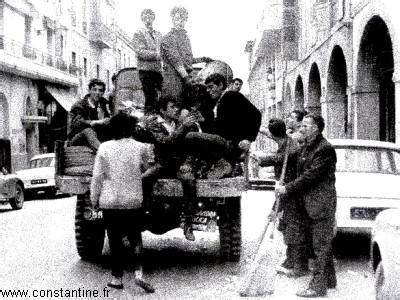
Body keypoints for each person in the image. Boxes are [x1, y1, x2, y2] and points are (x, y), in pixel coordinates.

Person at [90, 113, 155, 293]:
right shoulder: (140, 147)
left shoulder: (104, 147)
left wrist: (94, 199)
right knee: (135, 238)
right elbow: (146, 169)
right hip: (133, 201)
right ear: (132, 128)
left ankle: (116, 278)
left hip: (109, 201)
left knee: (115, 240)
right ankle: (139, 273)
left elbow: (97, 177)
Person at [275, 114, 337, 298]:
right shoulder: (306, 147)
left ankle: (317, 288)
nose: (302, 128)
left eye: (305, 125)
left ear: (316, 128)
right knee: (321, 244)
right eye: (301, 125)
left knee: (320, 246)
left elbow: (310, 176)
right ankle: (330, 280)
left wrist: (286, 189)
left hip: (321, 204)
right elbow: (295, 166)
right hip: (309, 204)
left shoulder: (324, 149)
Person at [255, 119, 309, 277]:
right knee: (288, 228)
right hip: (290, 190)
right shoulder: (286, 140)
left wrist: (275, 209)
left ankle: (297, 266)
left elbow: (287, 186)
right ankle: (290, 261)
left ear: (273, 134)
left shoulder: (289, 150)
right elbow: (270, 135)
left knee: (293, 230)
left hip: (292, 193)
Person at [160, 6, 212, 107]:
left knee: (187, 107)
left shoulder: (185, 38)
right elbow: (176, 61)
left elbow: (187, 60)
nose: (181, 21)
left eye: (183, 19)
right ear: (173, 19)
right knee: (175, 106)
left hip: (185, 77)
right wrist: (187, 78)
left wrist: (203, 59)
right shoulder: (168, 37)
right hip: (173, 79)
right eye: (178, 18)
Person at [68, 78, 112, 152]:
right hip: (78, 139)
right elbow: (77, 123)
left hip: (96, 139)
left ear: (103, 92)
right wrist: (97, 122)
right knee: (88, 131)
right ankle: (103, 153)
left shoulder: (104, 104)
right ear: (89, 91)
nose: (97, 93)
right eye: (94, 89)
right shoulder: (79, 105)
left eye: (100, 90)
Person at [132, 9, 163, 113]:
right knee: (150, 98)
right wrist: (157, 55)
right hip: (145, 71)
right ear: (142, 19)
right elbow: (140, 52)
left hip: (158, 71)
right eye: (145, 17)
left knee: (162, 96)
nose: (148, 19)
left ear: (153, 18)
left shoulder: (158, 34)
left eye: (150, 16)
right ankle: (149, 120)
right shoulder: (138, 33)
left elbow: (163, 49)